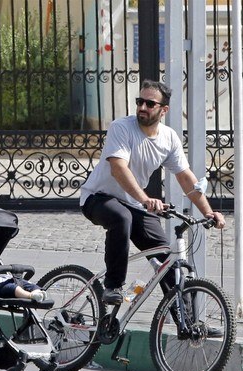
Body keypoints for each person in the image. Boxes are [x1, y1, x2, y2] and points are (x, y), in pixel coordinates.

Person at [80, 79, 226, 307]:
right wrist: (145, 199)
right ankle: (113, 286)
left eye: (150, 103)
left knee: (167, 258)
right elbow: (119, 168)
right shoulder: (121, 128)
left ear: (163, 110)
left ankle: (187, 323)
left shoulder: (168, 138)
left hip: (134, 204)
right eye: (140, 101)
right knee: (121, 217)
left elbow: (185, 176)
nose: (142, 108)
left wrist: (208, 212)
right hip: (98, 198)